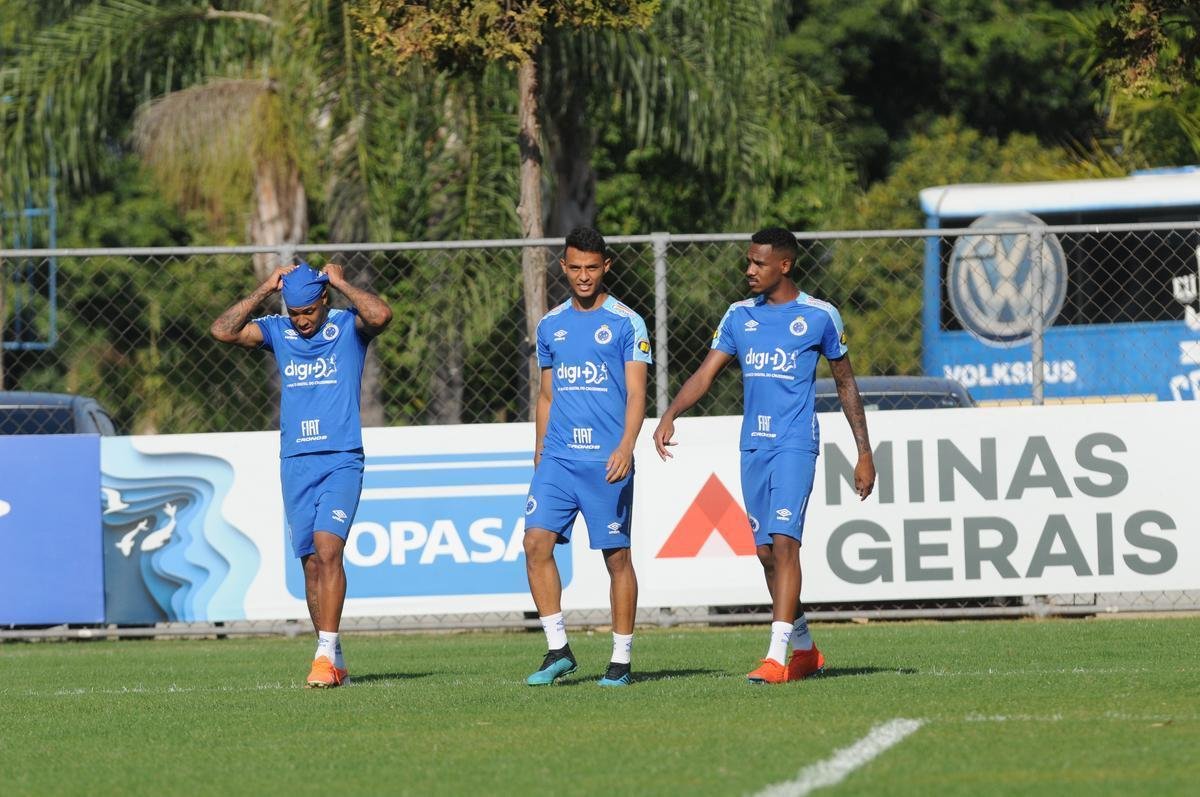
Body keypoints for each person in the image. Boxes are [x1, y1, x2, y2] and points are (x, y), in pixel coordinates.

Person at [652, 227, 875, 685]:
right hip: (753, 445)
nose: (749, 270)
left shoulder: (819, 316)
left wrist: (864, 453)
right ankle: (807, 650)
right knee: (765, 553)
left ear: (785, 265)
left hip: (795, 444)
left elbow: (847, 383)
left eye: (758, 263)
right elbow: (707, 373)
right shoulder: (738, 316)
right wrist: (672, 411)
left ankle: (776, 657)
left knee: (785, 542)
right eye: (748, 261)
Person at [210, 260, 392, 688]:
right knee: (312, 564)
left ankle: (322, 655)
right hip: (295, 460)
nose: (302, 321)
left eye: (308, 311)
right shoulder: (279, 331)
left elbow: (381, 315)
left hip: (340, 457)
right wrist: (264, 288)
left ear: (323, 300)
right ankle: (335, 657)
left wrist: (342, 280)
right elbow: (223, 330)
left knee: (330, 550)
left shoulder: (349, 327)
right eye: (295, 313)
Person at [523, 226, 652, 687]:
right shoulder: (550, 325)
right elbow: (545, 396)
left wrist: (626, 446)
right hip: (557, 459)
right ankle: (558, 649)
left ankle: (621, 658)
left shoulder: (627, 323)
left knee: (616, 558)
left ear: (606, 268)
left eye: (592, 268)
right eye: (575, 267)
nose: (583, 276)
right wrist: (540, 451)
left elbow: (637, 393)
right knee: (535, 545)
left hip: (606, 462)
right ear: (563, 267)